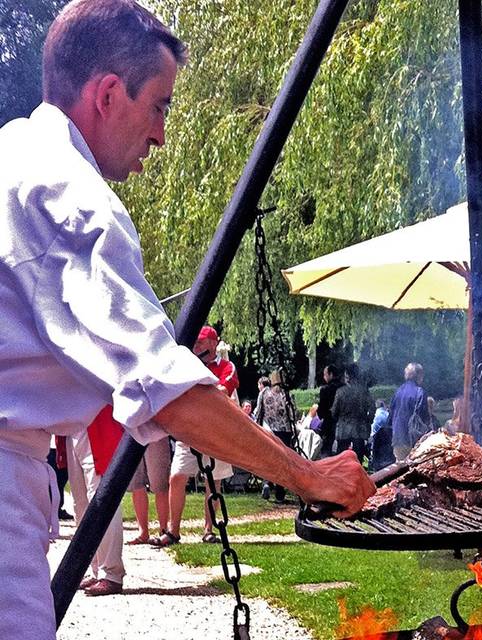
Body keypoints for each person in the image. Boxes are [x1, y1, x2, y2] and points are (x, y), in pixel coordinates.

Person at [0, 3, 372, 634]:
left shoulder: (13, 152)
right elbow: (164, 390)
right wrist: (308, 476)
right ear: (110, 94)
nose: (162, 135)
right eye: (160, 106)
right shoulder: (76, 200)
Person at [159, 326, 240, 543]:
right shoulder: (188, 365)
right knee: (176, 476)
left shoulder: (226, 366)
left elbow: (225, 388)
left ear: (213, 343)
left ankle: (208, 529)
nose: (197, 345)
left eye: (202, 341)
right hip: (189, 432)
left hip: (215, 432)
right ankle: (173, 530)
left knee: (213, 483)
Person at [66, 406, 127, 596]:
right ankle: (94, 569)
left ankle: (111, 574)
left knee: (101, 499)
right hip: (72, 425)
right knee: (80, 503)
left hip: (95, 420)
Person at [256, 370, 297, 503]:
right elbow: (293, 413)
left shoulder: (264, 392)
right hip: (285, 431)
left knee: (268, 458)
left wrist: (258, 427)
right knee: (282, 461)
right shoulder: (286, 394)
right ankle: (280, 492)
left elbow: (259, 411)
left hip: (269, 430)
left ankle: (267, 482)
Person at [126, 437, 172, 547]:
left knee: (160, 483)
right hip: (130, 434)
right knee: (136, 484)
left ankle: (163, 530)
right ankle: (143, 533)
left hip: (155, 432)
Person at [332, 363, 375, 461]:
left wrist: (338, 419)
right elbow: (372, 407)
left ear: (347, 375)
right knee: (358, 457)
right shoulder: (364, 391)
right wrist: (369, 420)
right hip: (360, 429)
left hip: (343, 429)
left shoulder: (340, 392)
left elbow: (334, 411)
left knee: (341, 458)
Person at [389, 362, 430, 460]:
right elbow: (423, 417)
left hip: (397, 438)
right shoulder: (420, 392)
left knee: (399, 468)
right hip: (413, 440)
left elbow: (390, 416)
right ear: (419, 375)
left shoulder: (398, 391)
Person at [316, 364, 344, 456]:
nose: (324, 377)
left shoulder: (325, 389)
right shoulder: (345, 388)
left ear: (331, 374)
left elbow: (321, 409)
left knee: (326, 450)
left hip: (329, 424)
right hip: (343, 425)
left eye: (325, 374)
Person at [369, 399, 394, 471]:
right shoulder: (387, 414)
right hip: (387, 441)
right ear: (384, 405)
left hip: (375, 440)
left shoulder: (375, 414)